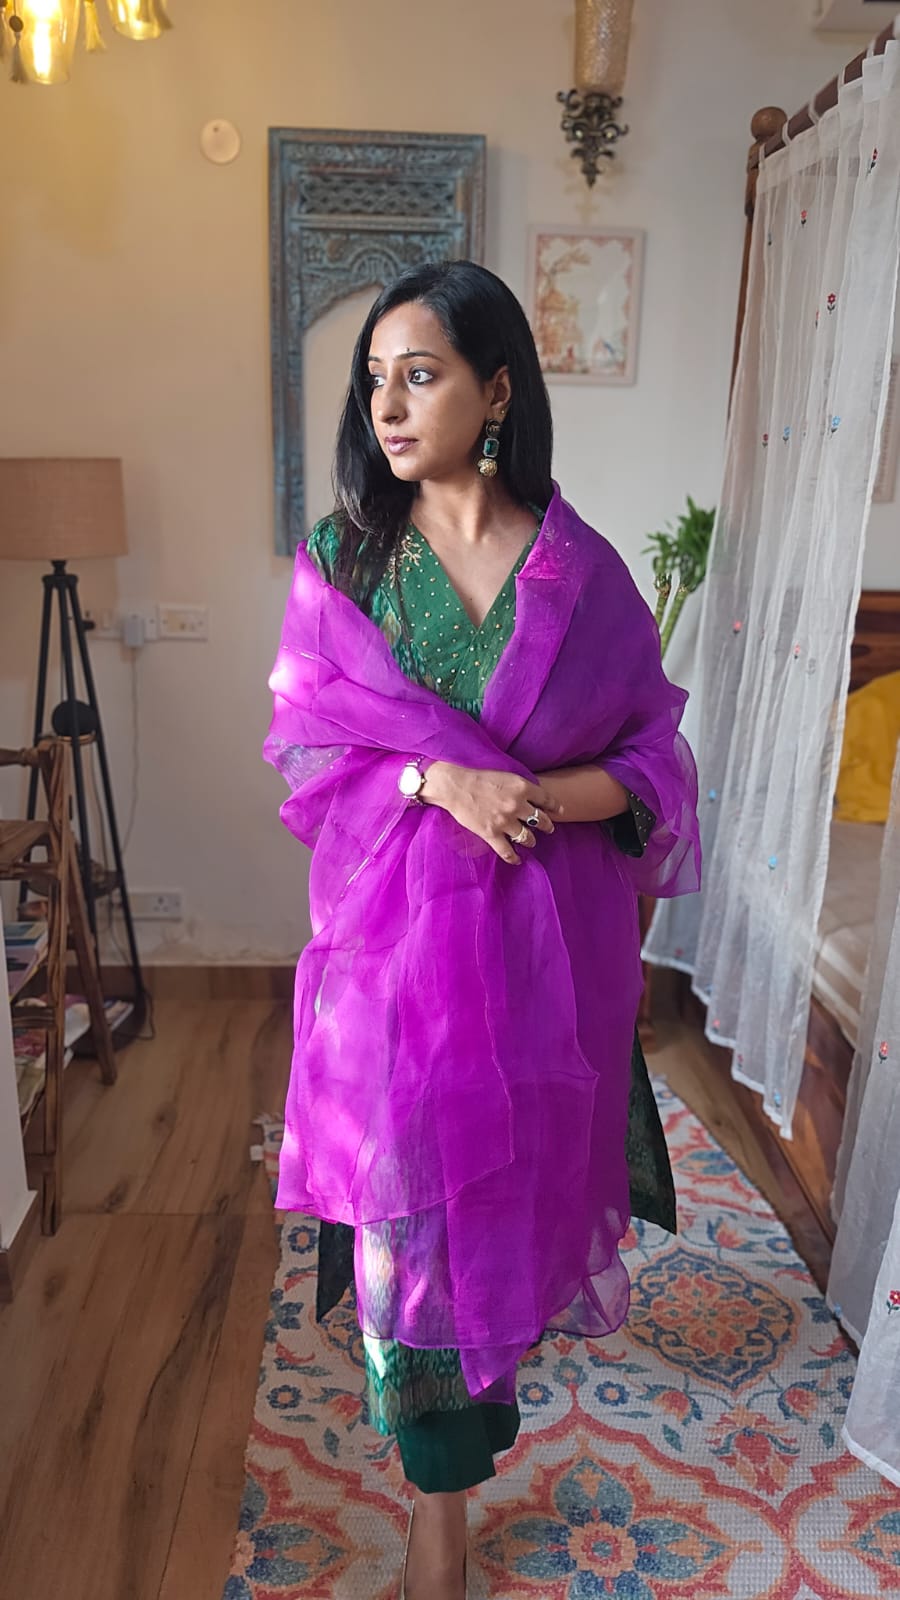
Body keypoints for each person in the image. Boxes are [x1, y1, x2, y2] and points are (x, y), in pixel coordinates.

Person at [264, 260, 701, 1600]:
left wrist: (540, 797)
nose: (390, 405)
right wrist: (433, 777)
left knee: (496, 1222)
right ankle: (437, 1514)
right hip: (391, 970)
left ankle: (472, 1447)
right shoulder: (345, 561)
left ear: (496, 387)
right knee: (406, 1234)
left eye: (424, 373)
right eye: (378, 379)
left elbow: (656, 758)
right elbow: (305, 738)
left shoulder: (577, 573)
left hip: (538, 972)